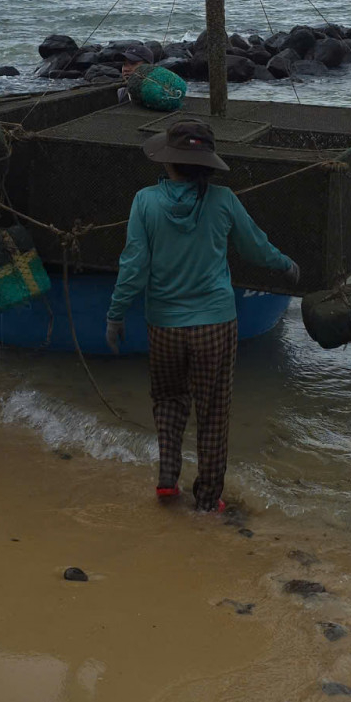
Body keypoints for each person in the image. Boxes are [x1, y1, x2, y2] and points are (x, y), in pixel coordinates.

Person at [106, 119, 297, 512]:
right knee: (213, 413)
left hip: (164, 326)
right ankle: (208, 499)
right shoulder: (223, 200)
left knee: (168, 402)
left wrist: (115, 314)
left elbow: (133, 266)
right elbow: (256, 249)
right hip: (215, 324)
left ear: (168, 161)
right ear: (208, 164)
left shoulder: (145, 201)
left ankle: (167, 481)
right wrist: (285, 264)